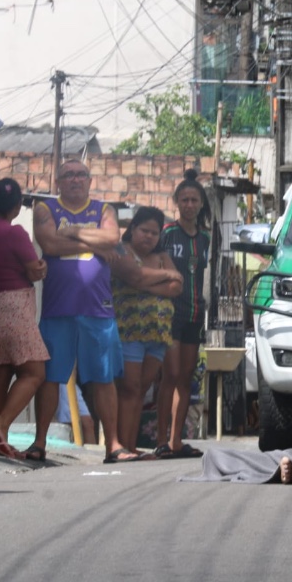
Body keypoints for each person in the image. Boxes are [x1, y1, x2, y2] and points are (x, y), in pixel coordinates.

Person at [29, 159, 138, 463]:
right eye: (68, 175)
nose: (75, 180)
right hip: (57, 307)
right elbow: (49, 244)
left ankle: (113, 445)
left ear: (90, 181)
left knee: (103, 377)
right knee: (51, 377)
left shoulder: (104, 210)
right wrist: (93, 243)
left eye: (81, 175)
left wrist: (73, 231)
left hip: (98, 308)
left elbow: (112, 238)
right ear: (58, 182)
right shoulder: (45, 209)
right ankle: (39, 442)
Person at [0, 178, 49, 458]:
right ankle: (0, 426)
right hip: (12, 306)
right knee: (34, 372)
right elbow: (34, 270)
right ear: (17, 206)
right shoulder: (15, 232)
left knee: (0, 371)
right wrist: (40, 267)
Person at [108, 206, 183, 455]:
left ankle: (131, 445)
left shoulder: (162, 256)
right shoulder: (120, 250)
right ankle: (121, 446)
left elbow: (176, 286)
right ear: (132, 229)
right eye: (144, 230)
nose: (149, 236)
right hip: (129, 332)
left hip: (158, 334)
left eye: (154, 232)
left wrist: (146, 283)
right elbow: (134, 276)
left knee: (141, 389)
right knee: (128, 388)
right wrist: (164, 275)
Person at [156, 170, 211, 459]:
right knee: (170, 374)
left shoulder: (204, 238)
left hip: (195, 313)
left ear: (201, 204)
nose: (189, 204)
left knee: (186, 378)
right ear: (176, 202)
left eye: (194, 200)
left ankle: (177, 441)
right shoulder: (166, 234)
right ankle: (161, 439)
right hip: (169, 314)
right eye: (185, 199)